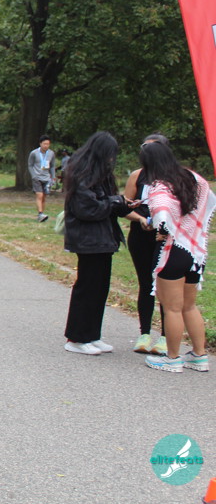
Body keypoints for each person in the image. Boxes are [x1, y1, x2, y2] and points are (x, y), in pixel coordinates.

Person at [139, 141, 214, 373]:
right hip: (195, 251)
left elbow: (162, 214)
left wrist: (159, 226)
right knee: (189, 306)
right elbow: (208, 203)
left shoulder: (160, 186)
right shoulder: (195, 179)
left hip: (173, 251)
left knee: (171, 307)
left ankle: (172, 358)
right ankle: (199, 356)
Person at [61, 131, 134, 355]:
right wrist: (114, 202)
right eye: (110, 154)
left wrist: (123, 204)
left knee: (100, 288)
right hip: (88, 239)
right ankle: (76, 338)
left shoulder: (101, 174)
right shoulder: (81, 174)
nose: (112, 158)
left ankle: (92, 335)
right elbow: (87, 209)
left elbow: (106, 203)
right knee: (87, 287)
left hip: (104, 238)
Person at [122, 134, 168, 355]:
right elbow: (124, 207)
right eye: (144, 148)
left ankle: (166, 336)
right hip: (141, 234)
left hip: (165, 238)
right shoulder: (137, 176)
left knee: (165, 285)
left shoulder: (173, 176)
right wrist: (140, 218)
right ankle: (145, 333)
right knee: (145, 283)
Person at [28, 135, 56, 222]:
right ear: (40, 144)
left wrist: (53, 176)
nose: (46, 146)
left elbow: (52, 166)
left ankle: (42, 215)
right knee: (39, 195)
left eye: (48, 144)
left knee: (44, 197)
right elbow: (30, 165)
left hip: (47, 178)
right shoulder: (34, 153)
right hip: (37, 177)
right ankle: (40, 213)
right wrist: (33, 175)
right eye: (44, 144)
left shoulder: (51, 153)